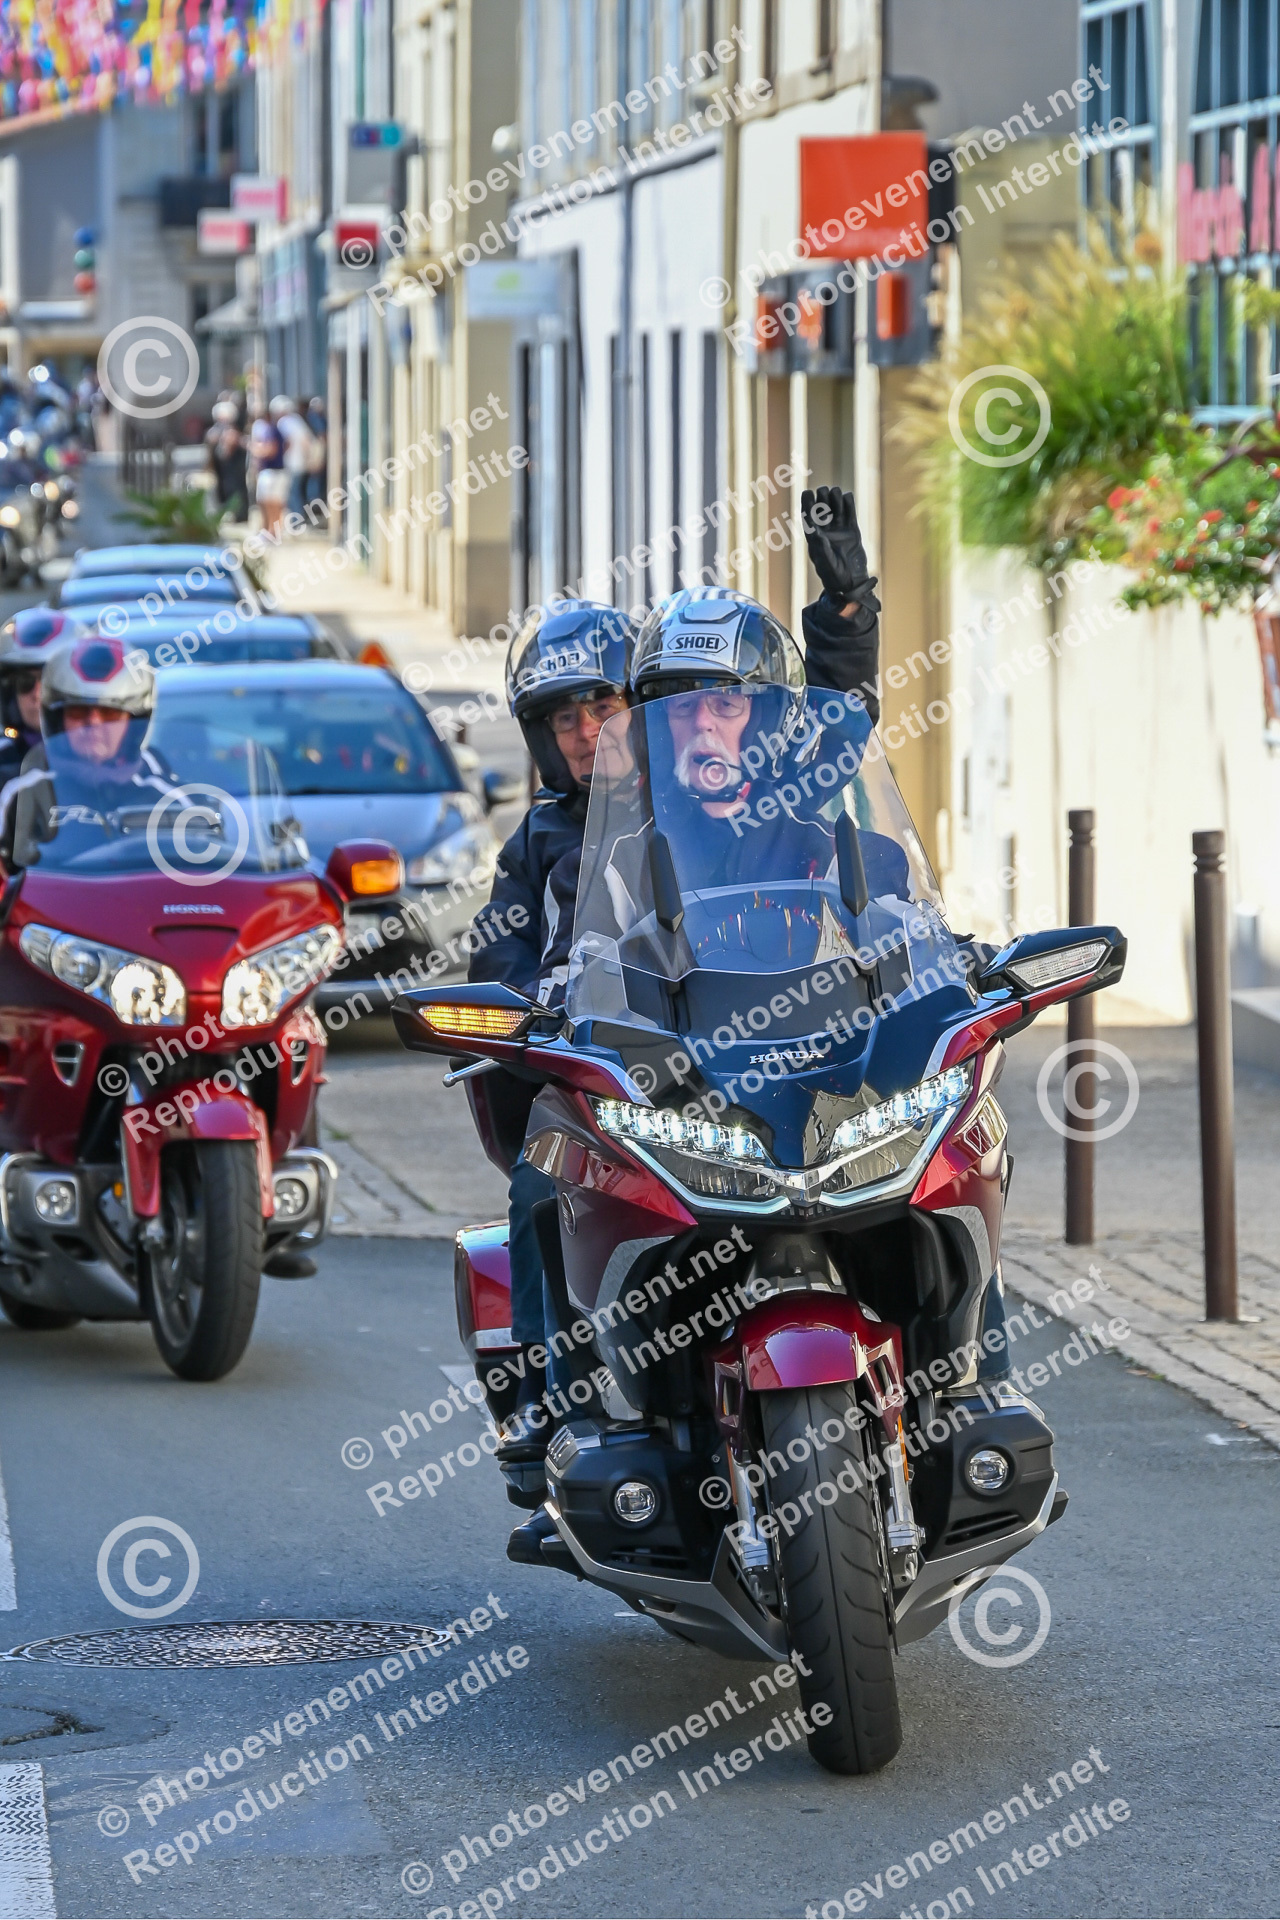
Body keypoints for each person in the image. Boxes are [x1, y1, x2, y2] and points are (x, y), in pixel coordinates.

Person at [463, 601, 635, 1561]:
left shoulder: (706, 808)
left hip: (716, 1061)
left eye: (601, 705)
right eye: (562, 717)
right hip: (594, 1073)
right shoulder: (535, 843)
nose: (583, 731)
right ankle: (553, 1410)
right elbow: (497, 960)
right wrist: (521, 1010)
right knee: (543, 1186)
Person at [0, 610, 87, 782]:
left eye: (50, 681)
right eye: (25, 682)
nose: (37, 693)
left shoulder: (105, 755)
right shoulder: (3, 759)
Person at [272, 396, 317, 522]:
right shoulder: (297, 420)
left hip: (291, 463)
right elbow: (307, 441)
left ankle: (297, 520)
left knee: (292, 494)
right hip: (300, 462)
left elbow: (286, 443)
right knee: (298, 492)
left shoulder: (284, 422)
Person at [249, 405, 287, 538]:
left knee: (272, 504)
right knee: (265, 502)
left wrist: (256, 450)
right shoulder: (273, 431)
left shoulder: (272, 431)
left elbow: (271, 450)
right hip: (272, 472)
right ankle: (268, 531)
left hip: (273, 472)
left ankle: (273, 532)